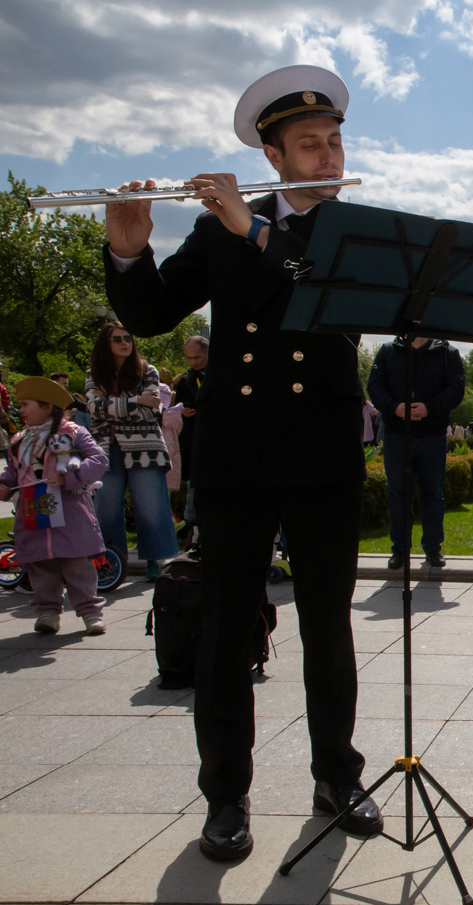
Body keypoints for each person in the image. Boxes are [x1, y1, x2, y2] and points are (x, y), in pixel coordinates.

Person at [103, 64, 382, 861]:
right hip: (237, 454)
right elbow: (155, 311)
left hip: (321, 453)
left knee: (329, 626)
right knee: (226, 631)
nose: (328, 157)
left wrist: (249, 228)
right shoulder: (217, 228)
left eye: (333, 143)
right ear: (274, 156)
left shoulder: (348, 231)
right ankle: (226, 795)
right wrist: (129, 255)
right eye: (309, 146)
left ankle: (337, 773)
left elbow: (312, 278)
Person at [0, 377, 109, 635]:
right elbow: (14, 471)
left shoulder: (72, 432)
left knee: (76, 563)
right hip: (33, 512)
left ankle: (91, 613)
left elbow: (99, 459)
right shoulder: (19, 439)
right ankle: (47, 612)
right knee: (41, 564)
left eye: (25, 404)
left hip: (70, 510)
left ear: (47, 406)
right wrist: (4, 485)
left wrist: (69, 476)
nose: (21, 410)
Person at [84, 316, 179, 580]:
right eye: (118, 338)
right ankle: (112, 563)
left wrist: (112, 407)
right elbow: (93, 408)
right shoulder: (94, 373)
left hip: (145, 447)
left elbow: (151, 413)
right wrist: (136, 400)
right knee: (107, 508)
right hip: (105, 448)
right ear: (106, 343)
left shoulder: (147, 371)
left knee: (150, 506)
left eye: (129, 338)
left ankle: (155, 561)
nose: (125, 342)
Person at [367, 334, 465, 569]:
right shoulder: (389, 351)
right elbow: (374, 385)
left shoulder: (447, 353)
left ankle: (433, 549)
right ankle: (400, 550)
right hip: (397, 434)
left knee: (433, 494)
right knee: (397, 495)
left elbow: (456, 389)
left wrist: (429, 408)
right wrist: (394, 407)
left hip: (431, 435)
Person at [174, 334, 207, 523]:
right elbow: (177, 409)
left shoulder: (220, 374)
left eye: (197, 357)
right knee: (193, 491)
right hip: (194, 443)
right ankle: (191, 529)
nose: (193, 362)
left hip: (219, 442)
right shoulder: (186, 380)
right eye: (189, 358)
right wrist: (181, 411)